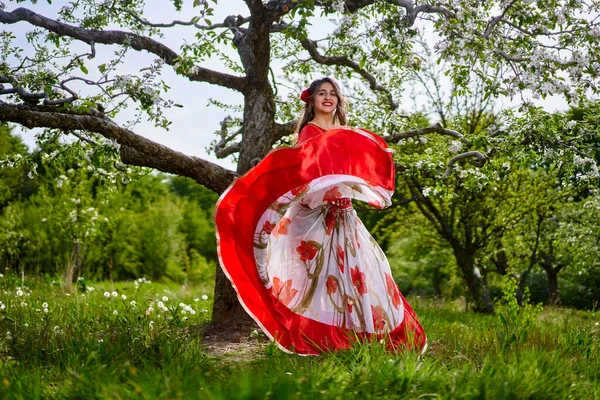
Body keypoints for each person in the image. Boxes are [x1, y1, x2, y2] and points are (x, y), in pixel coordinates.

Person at [215, 77, 426, 355]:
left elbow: (350, 169)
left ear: (338, 100)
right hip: (315, 216)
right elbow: (307, 175)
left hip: (344, 214)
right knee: (318, 281)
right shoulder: (309, 132)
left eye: (332, 93)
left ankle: (358, 335)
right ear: (312, 100)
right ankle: (322, 336)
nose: (328, 98)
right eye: (322, 93)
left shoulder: (344, 133)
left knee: (357, 275)